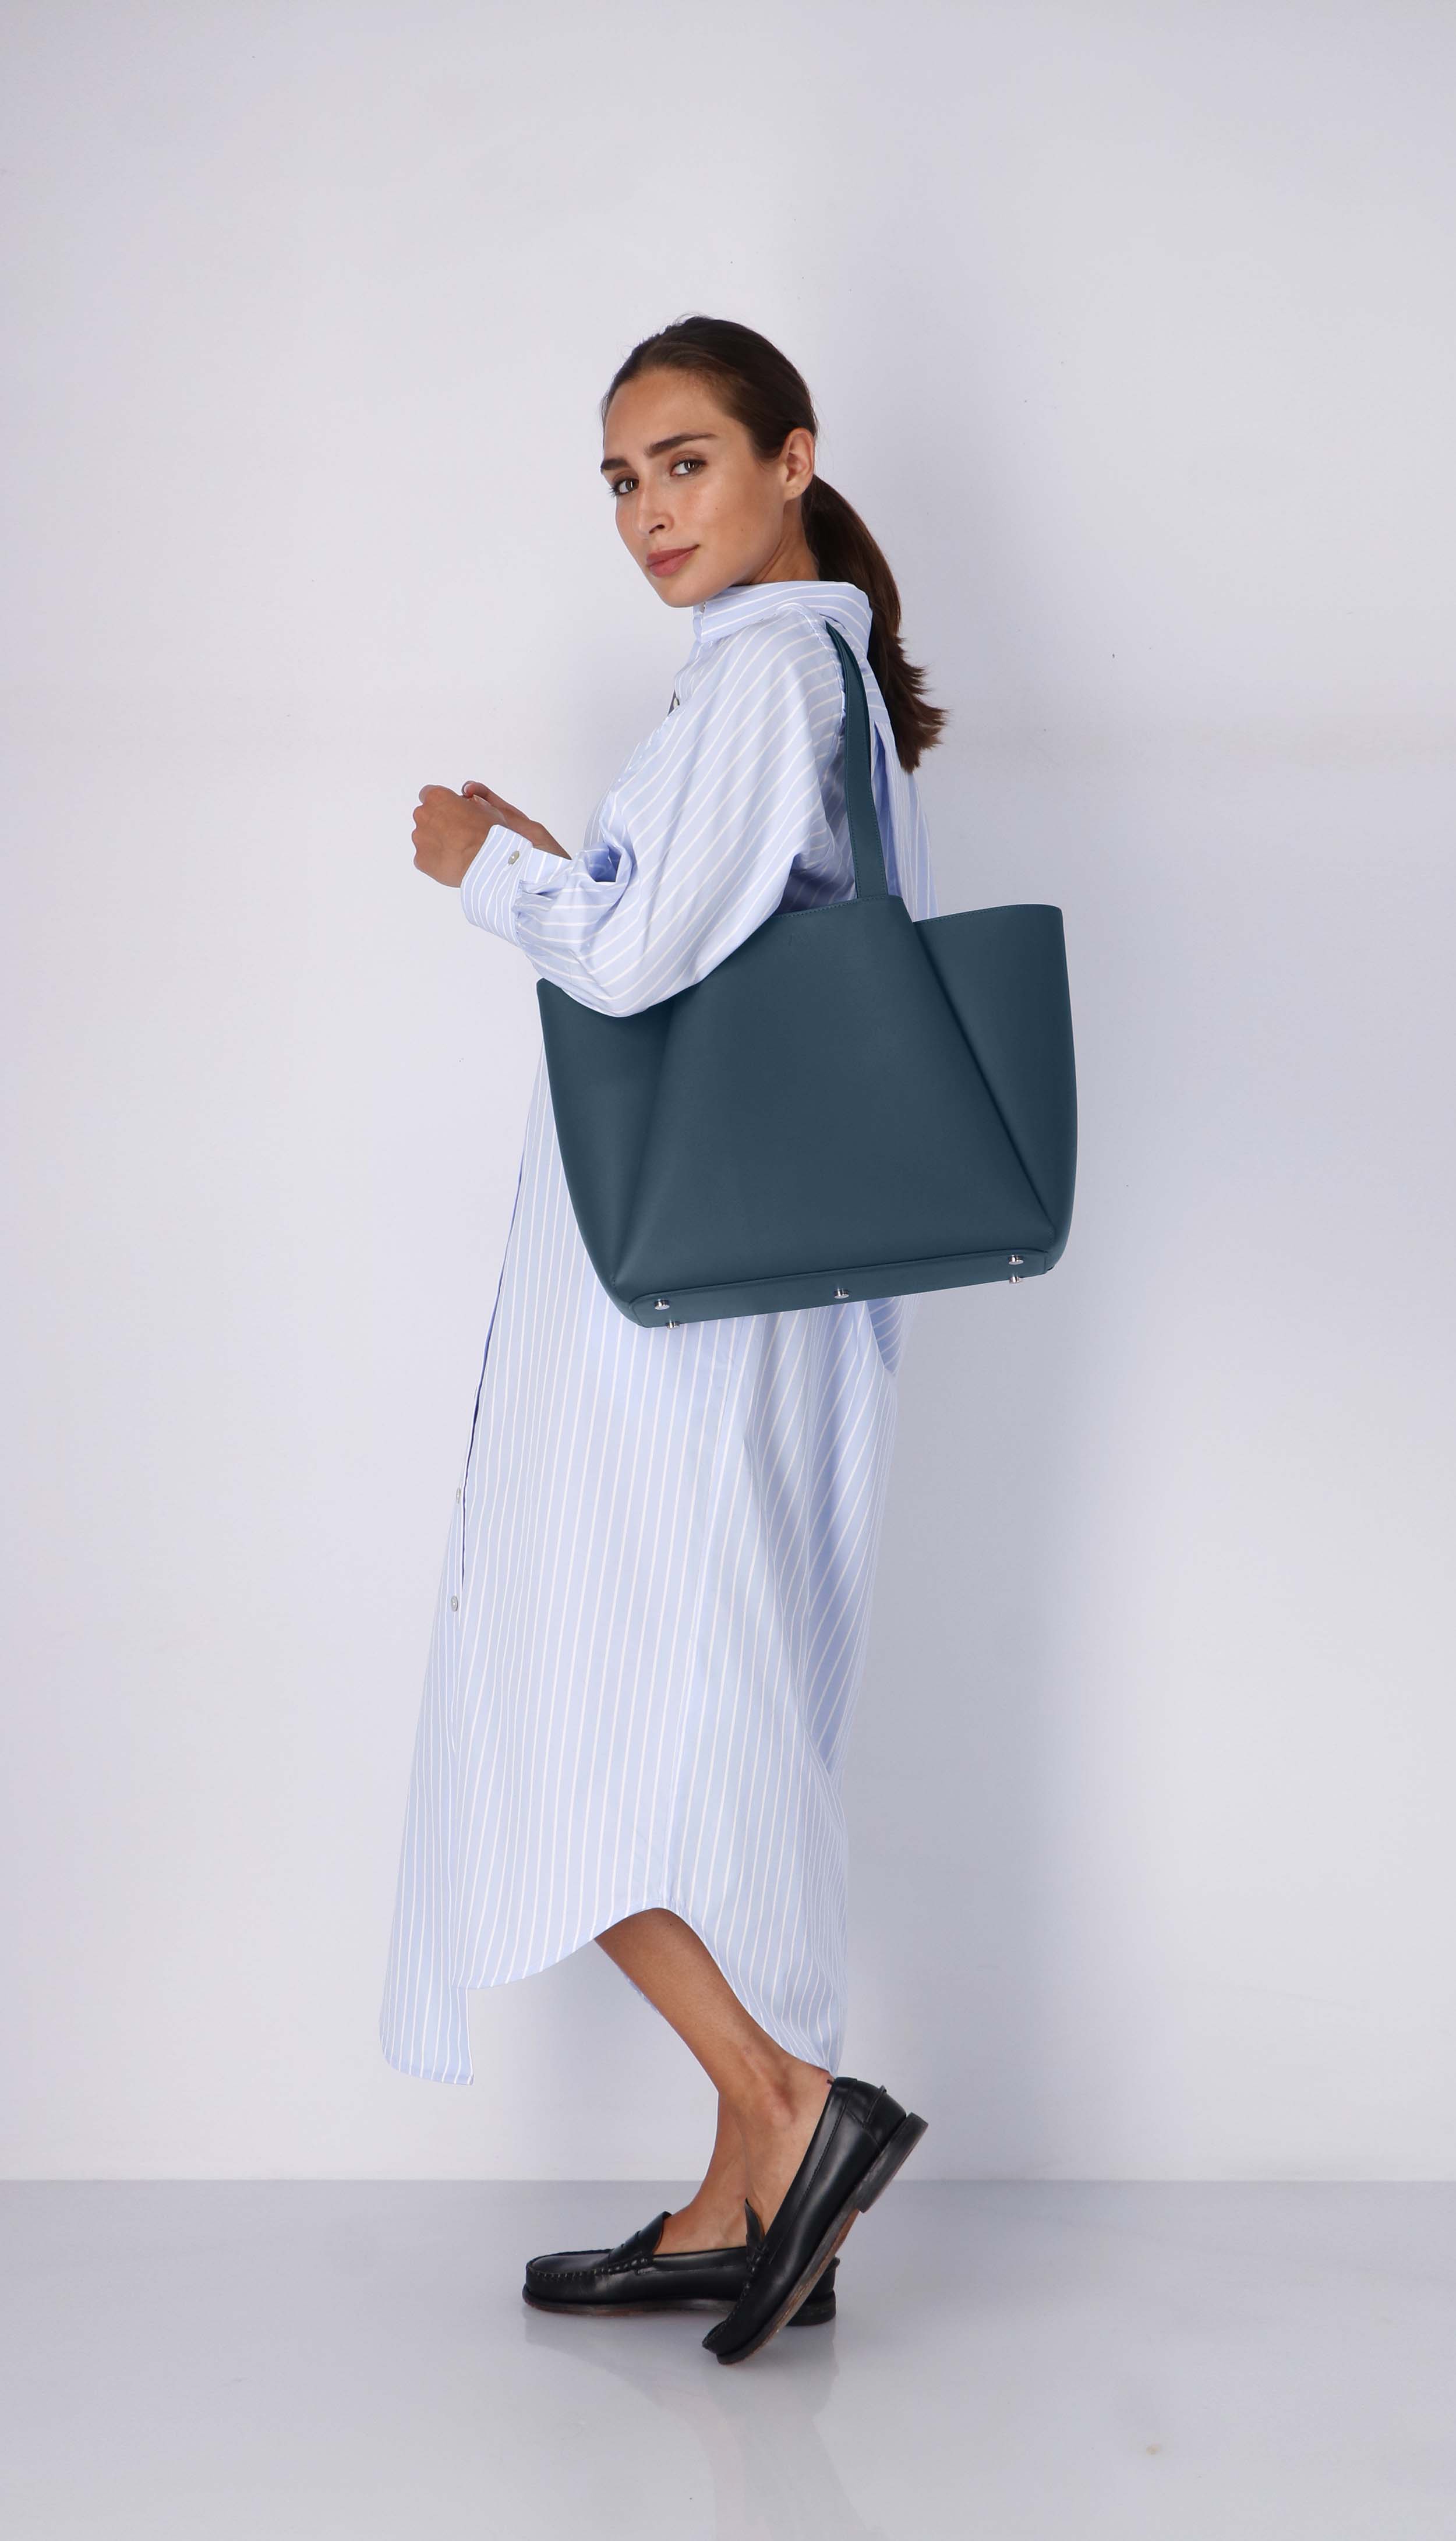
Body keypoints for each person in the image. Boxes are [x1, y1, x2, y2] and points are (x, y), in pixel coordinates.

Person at [395, 316, 943, 2364]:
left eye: (686, 460)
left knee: (571, 1702)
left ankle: (791, 2109)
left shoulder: (770, 673)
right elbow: (690, 930)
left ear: (793, 458)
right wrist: (579, 870)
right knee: (714, 1720)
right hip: (737, 1281)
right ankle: (739, 2198)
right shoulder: (791, 678)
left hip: (677, 1310)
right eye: (623, 481)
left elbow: (629, 958)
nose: (648, 510)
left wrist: (492, 872)